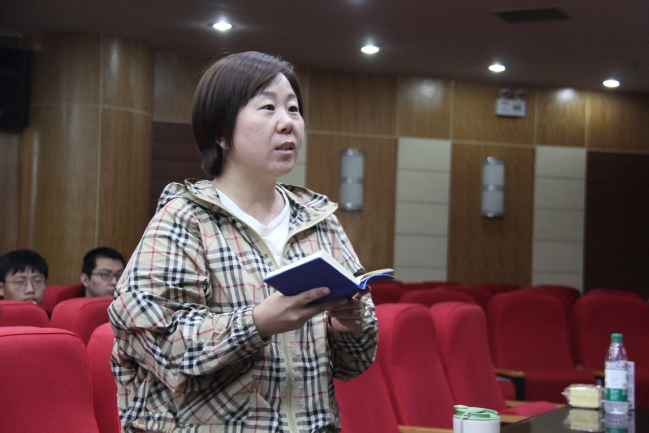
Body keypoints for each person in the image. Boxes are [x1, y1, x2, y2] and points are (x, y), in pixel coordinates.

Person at [108, 51, 378, 433]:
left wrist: (347, 328)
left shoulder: (319, 221)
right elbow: (157, 341)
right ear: (221, 132)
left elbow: (356, 363)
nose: (287, 123)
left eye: (294, 109)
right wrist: (257, 324)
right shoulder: (186, 219)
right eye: (268, 108)